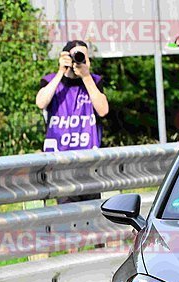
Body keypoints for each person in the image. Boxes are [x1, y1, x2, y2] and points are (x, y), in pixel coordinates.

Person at [36, 40, 109, 202]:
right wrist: (61, 71)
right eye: (75, 56)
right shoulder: (50, 81)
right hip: (60, 163)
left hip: (90, 163)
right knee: (67, 215)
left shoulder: (94, 81)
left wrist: (86, 76)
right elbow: (41, 103)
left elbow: (103, 110)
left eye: (83, 56)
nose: (79, 60)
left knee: (91, 216)